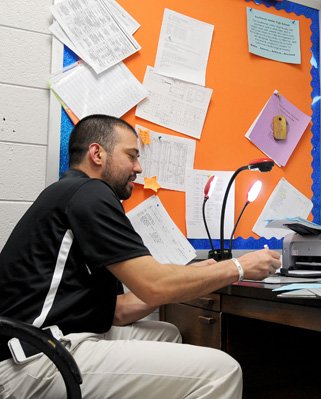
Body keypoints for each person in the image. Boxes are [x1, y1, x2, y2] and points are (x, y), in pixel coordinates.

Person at [0, 114, 281, 398]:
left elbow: (118, 310)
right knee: (222, 371)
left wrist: (200, 274)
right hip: (33, 359)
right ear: (97, 154)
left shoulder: (70, 192)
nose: (138, 167)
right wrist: (239, 267)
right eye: (131, 155)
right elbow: (153, 285)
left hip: (41, 341)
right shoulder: (90, 192)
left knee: (167, 332)